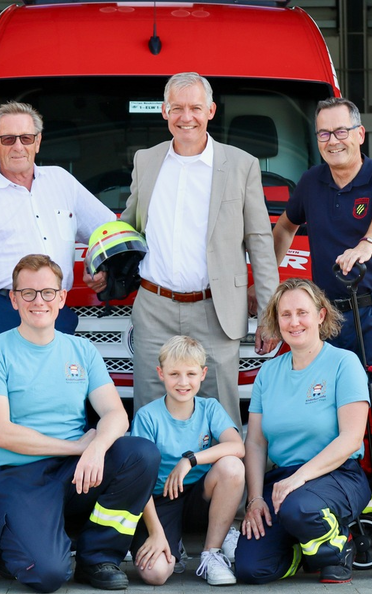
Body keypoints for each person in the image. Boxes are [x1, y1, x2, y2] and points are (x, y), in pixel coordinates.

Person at [0, 254, 160, 593]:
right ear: (13, 300)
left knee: (140, 453)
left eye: (47, 292)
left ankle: (98, 557)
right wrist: (76, 447)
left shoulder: (81, 350)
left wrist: (97, 447)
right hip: (13, 475)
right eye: (27, 293)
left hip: (72, 471)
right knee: (47, 576)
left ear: (62, 298)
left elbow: (116, 415)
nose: (38, 301)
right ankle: (8, 539)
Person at [120, 72, 279, 429]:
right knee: (149, 415)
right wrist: (101, 263)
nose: (185, 117)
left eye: (194, 107)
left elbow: (260, 243)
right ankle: (153, 486)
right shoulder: (146, 160)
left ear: (211, 110)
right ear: (164, 111)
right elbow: (129, 226)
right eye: (177, 108)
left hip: (215, 310)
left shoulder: (241, 165)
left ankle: (224, 486)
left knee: (220, 416)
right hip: (153, 308)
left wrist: (270, 314)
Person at [0, 101, 115, 366]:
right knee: (7, 403)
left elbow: (108, 229)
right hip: (2, 316)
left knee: (58, 399)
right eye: (8, 139)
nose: (18, 146)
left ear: (38, 142)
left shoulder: (62, 182)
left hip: (57, 315)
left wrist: (95, 262)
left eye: (26, 138)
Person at [268, 97, 372, 399]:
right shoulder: (310, 182)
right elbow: (284, 228)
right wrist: (265, 282)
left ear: (360, 134)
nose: (333, 141)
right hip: (327, 315)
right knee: (327, 397)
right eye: (324, 133)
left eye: (341, 131)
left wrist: (366, 245)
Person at [235, 278, 371, 585]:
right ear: (276, 320)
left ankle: (338, 547)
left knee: (300, 507)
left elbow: (351, 439)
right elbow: (255, 443)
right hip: (284, 481)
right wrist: (254, 499)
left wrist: (299, 478)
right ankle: (303, 554)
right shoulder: (268, 372)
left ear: (320, 316)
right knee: (251, 569)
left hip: (337, 475)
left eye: (302, 313)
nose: (294, 322)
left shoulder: (343, 364)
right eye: (285, 314)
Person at [130, 336, 245, 586]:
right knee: (156, 574)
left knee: (232, 466)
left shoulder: (210, 408)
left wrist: (190, 460)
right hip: (159, 502)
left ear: (203, 374)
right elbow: (137, 480)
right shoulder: (147, 416)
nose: (183, 382)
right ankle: (172, 542)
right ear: (161, 374)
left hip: (199, 496)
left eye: (191, 374)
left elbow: (237, 446)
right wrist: (156, 533)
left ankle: (211, 555)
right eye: (174, 374)